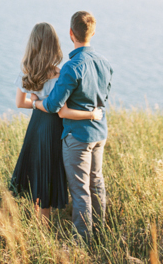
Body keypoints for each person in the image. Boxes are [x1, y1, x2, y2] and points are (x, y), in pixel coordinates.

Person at [10, 22, 103, 220]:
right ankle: (45, 223)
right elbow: (62, 108)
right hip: (54, 126)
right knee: (50, 171)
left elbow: (20, 103)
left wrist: (36, 101)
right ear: (54, 45)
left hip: (36, 125)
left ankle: (39, 224)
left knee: (37, 170)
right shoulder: (60, 74)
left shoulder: (26, 71)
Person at [36, 11, 112, 241]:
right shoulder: (104, 63)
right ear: (93, 32)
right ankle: (100, 233)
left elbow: (53, 105)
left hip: (77, 136)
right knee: (96, 182)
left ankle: (82, 240)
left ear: (71, 34)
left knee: (80, 190)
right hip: (100, 132)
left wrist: (36, 102)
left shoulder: (72, 67)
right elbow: (104, 96)